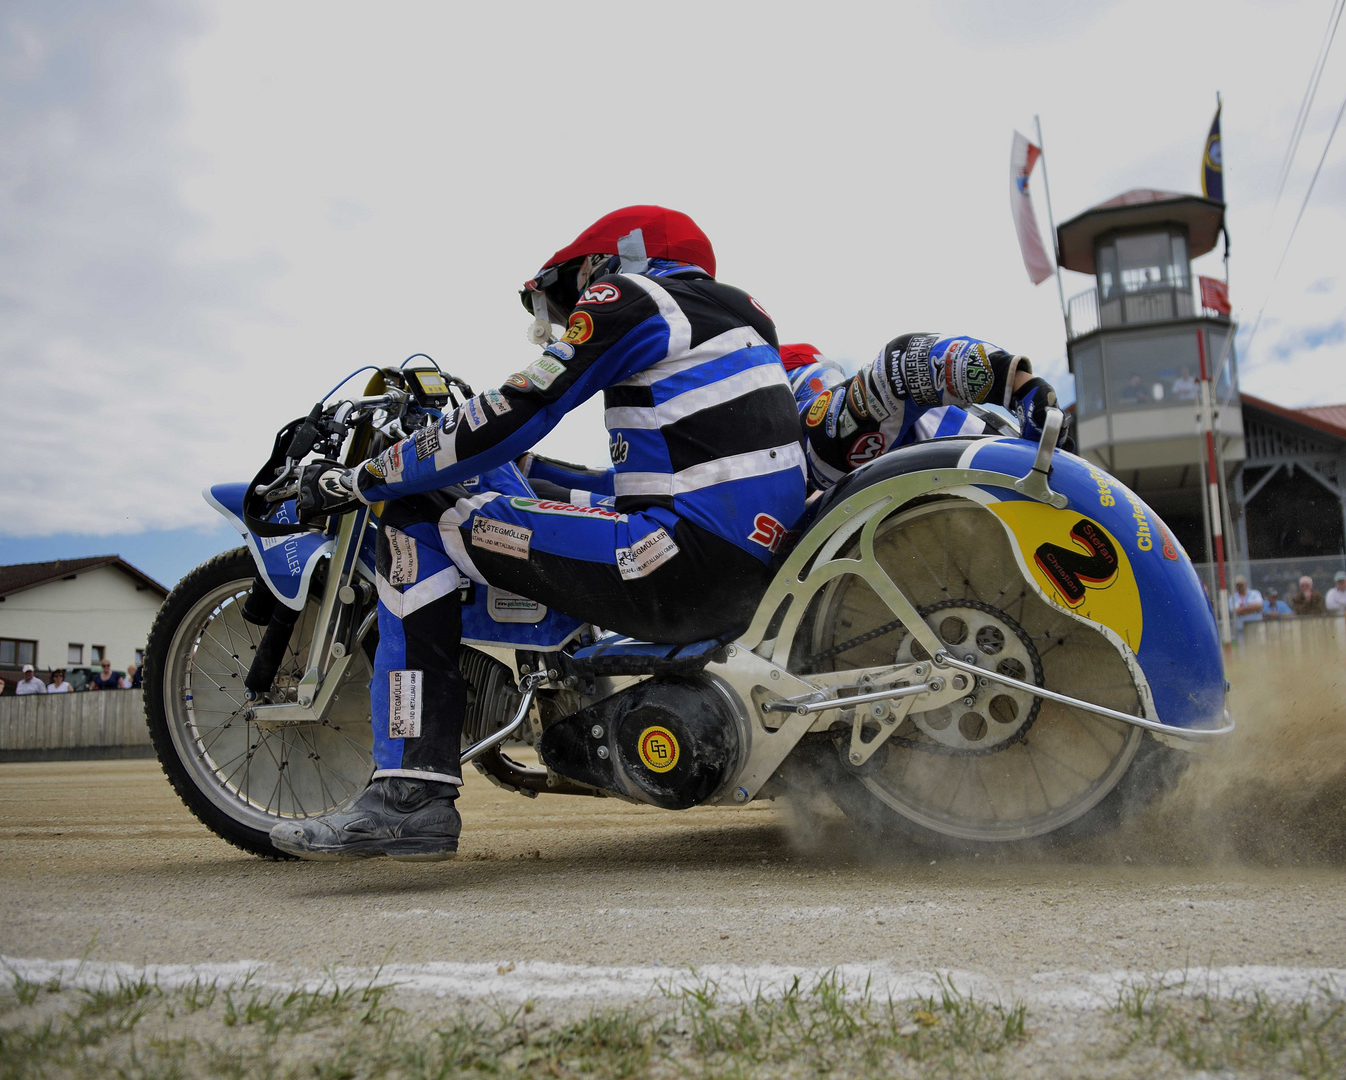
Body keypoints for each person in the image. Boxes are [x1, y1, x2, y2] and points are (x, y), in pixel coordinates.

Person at [276, 205, 807, 862]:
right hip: (747, 569)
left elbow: (519, 406)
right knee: (531, 506)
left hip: (676, 562)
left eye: (564, 300)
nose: (565, 318)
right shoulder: (734, 319)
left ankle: (410, 795)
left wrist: (365, 478)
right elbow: (655, 482)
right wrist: (525, 468)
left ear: (597, 265)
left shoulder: (632, 295)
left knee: (420, 513)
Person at [781, 337, 1060, 492]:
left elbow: (898, 366)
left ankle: (1026, 394)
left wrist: (1022, 387)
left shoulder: (815, 442)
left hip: (999, 472)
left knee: (832, 441)